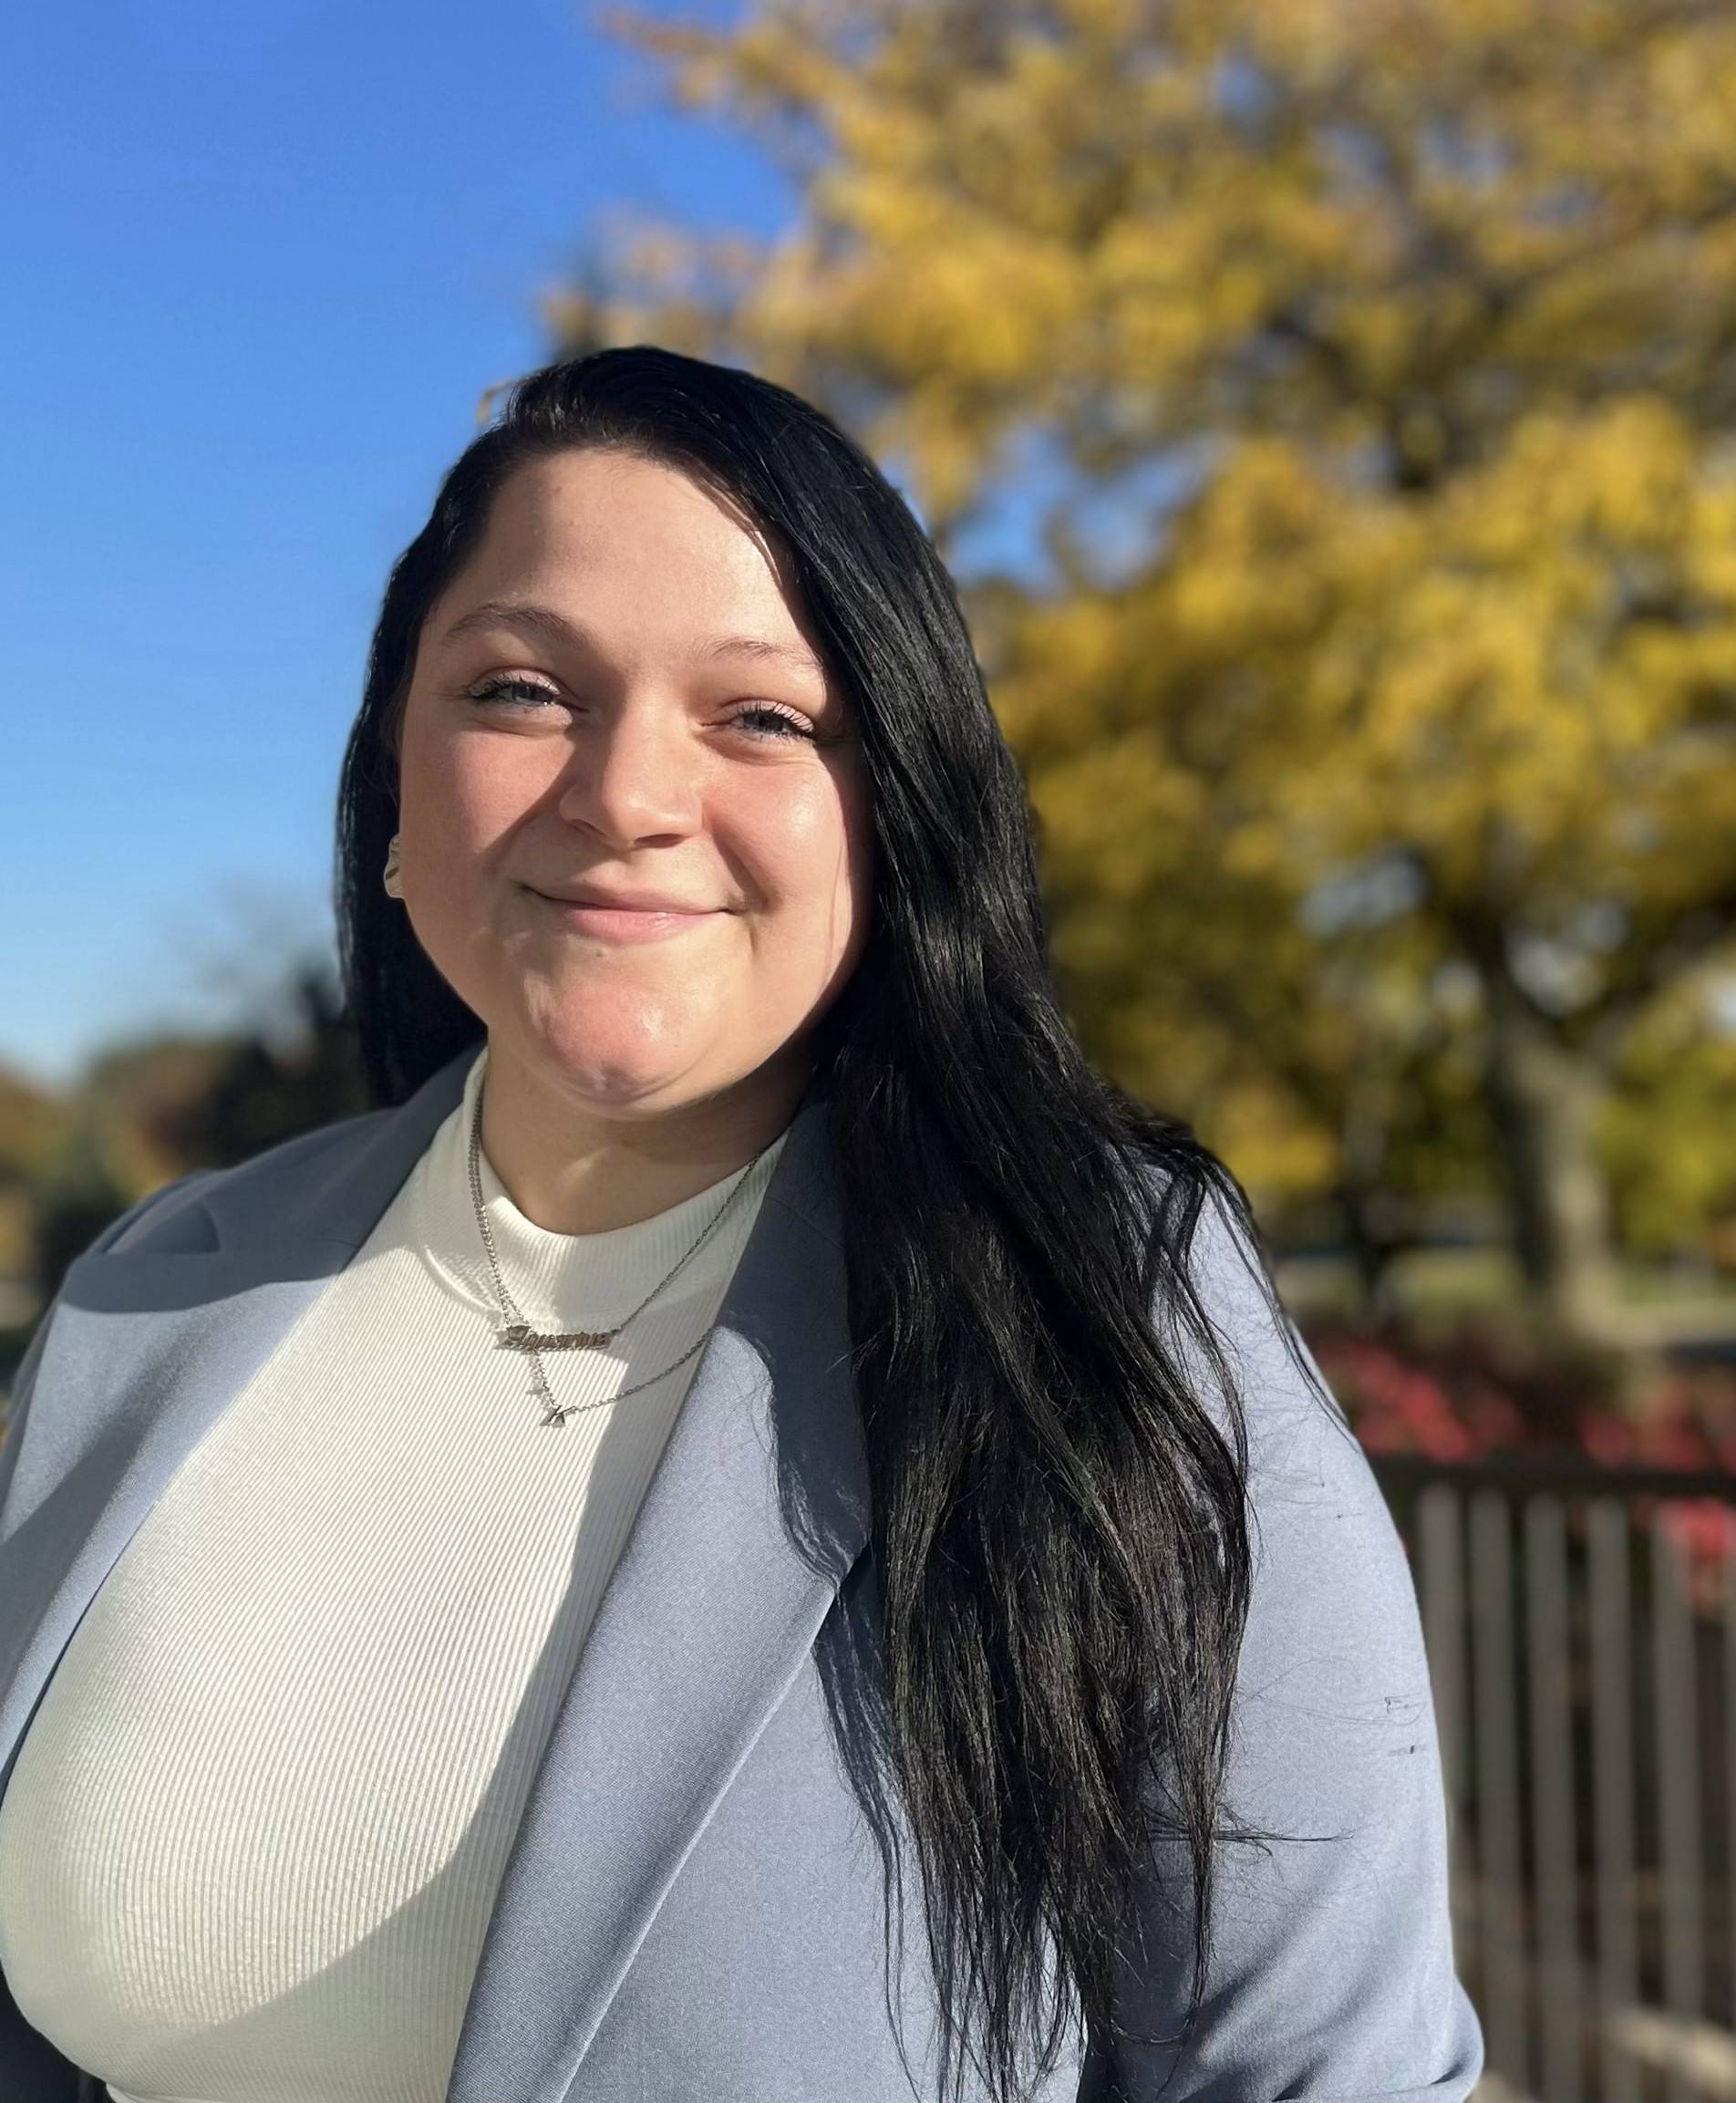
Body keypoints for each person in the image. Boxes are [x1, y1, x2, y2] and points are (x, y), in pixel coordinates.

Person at [0, 345, 1484, 2103]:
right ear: (394, 776)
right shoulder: (163, 1286)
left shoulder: (1105, 1302)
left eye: (762, 715)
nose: (626, 795)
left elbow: (1321, 2072)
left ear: (892, 810)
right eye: (523, 689)